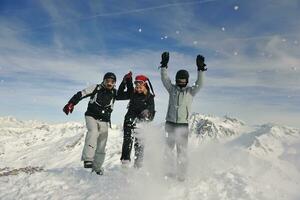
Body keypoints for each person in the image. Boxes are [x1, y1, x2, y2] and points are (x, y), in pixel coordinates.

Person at [159, 52, 207, 181]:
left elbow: (200, 84)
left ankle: (181, 174)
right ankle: (168, 172)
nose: (181, 82)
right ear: (176, 80)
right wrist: (164, 66)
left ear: (187, 81)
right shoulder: (172, 89)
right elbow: (165, 79)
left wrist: (200, 69)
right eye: (179, 80)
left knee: (182, 151)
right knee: (168, 149)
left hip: (182, 125)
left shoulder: (190, 91)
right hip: (170, 123)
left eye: (183, 80)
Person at [63, 72, 117, 175]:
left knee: (102, 144)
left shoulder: (115, 92)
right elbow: (82, 93)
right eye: (107, 81)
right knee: (93, 132)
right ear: (104, 81)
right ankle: (88, 159)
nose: (109, 84)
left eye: (112, 82)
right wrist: (71, 103)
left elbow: (127, 95)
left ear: (114, 83)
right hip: (91, 116)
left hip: (104, 120)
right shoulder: (96, 88)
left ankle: (97, 168)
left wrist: (127, 81)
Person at [117, 71, 155, 168]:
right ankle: (125, 162)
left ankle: (138, 165)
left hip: (142, 121)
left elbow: (151, 111)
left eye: (140, 85)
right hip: (130, 119)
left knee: (140, 142)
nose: (137, 87)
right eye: (136, 85)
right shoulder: (132, 93)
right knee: (128, 139)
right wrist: (124, 82)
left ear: (145, 85)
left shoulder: (149, 97)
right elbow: (119, 95)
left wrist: (148, 113)